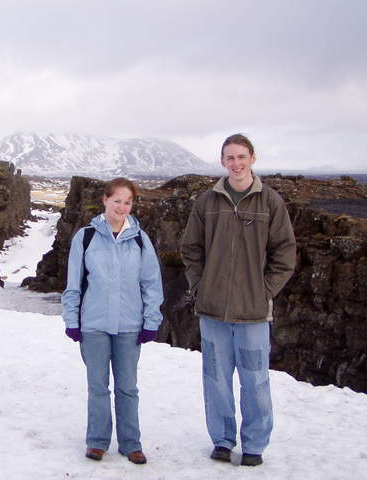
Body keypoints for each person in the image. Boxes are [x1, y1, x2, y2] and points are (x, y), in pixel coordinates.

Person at [180, 134, 296, 467]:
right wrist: (200, 287)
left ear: (253, 159)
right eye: (230, 158)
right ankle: (222, 440)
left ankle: (255, 445)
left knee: (255, 380)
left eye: (241, 157)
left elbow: (285, 253)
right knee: (216, 379)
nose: (236, 163)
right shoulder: (207, 202)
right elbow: (191, 249)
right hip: (213, 310)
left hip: (254, 312)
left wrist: (266, 290)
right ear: (222, 162)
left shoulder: (270, 202)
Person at [62, 177, 164, 465]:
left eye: (128, 202)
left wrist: (150, 321)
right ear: (105, 200)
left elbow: (151, 284)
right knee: (98, 387)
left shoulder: (140, 240)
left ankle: (131, 443)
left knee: (127, 387)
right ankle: (97, 442)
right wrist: (72, 319)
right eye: (117, 200)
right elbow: (73, 284)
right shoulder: (86, 237)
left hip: (129, 326)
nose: (122, 207)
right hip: (93, 324)